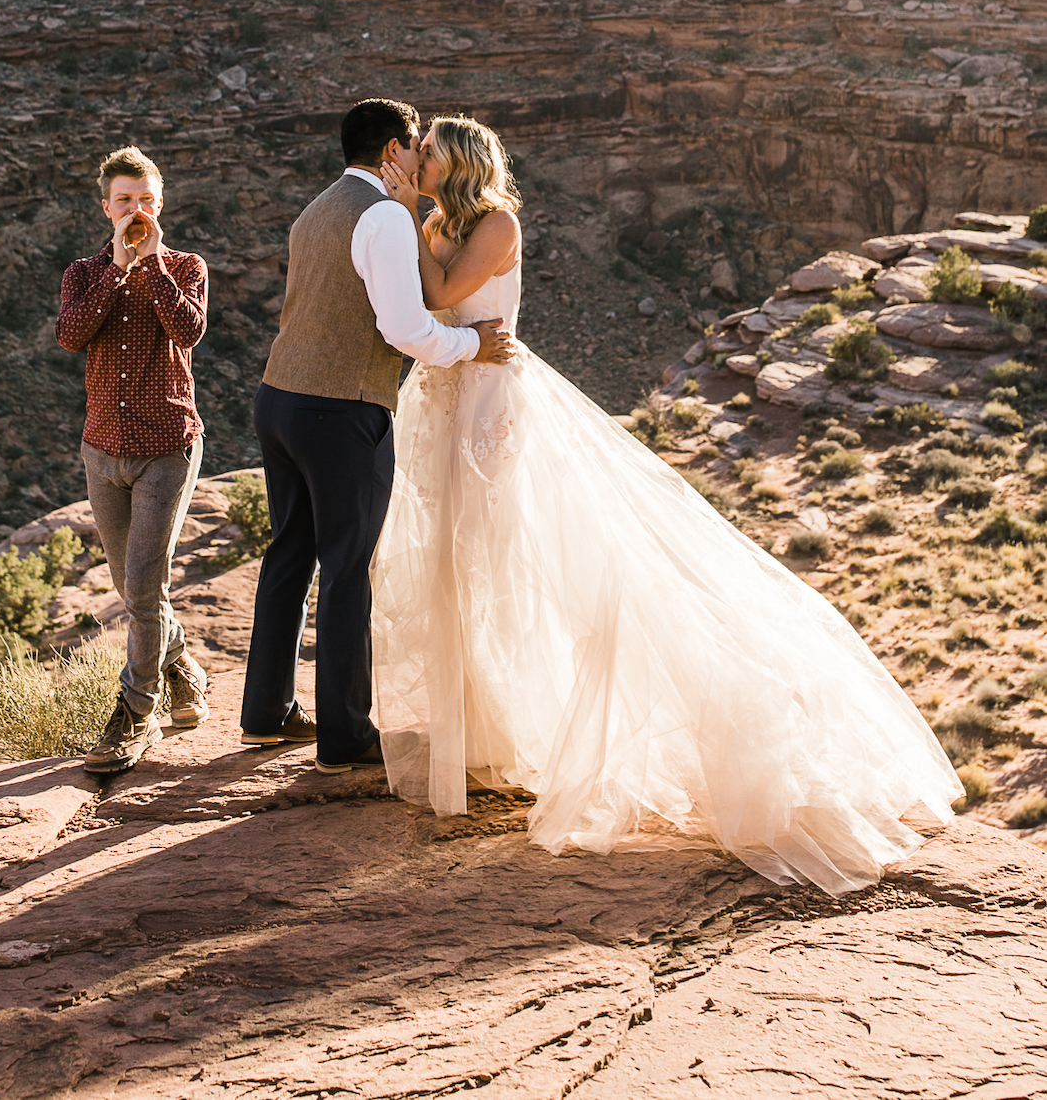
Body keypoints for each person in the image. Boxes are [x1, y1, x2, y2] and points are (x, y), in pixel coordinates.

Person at [368, 114, 959, 894]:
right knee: (458, 565)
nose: (421, 162)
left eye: (431, 153)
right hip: (449, 394)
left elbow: (441, 291)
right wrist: (416, 217)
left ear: (462, 160)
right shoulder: (443, 219)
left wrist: (406, 212)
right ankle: (483, 737)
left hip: (486, 403)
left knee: (514, 563)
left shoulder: (496, 222)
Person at [243, 98, 516, 770]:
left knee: (289, 555)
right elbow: (406, 330)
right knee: (345, 568)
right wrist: (468, 346)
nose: (421, 157)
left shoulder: (319, 207)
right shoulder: (387, 216)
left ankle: (265, 713)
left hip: (278, 398)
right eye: (416, 145)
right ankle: (345, 736)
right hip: (338, 409)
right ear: (392, 150)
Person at [54, 146, 212, 774]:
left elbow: (189, 329)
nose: (135, 209)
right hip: (102, 450)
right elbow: (71, 336)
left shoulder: (186, 268)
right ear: (106, 208)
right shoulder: (84, 272)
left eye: (145, 200)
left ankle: (134, 715)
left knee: (143, 588)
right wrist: (118, 269)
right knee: (132, 588)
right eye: (125, 200)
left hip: (166, 447)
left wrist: (148, 267)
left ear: (161, 205)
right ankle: (183, 672)